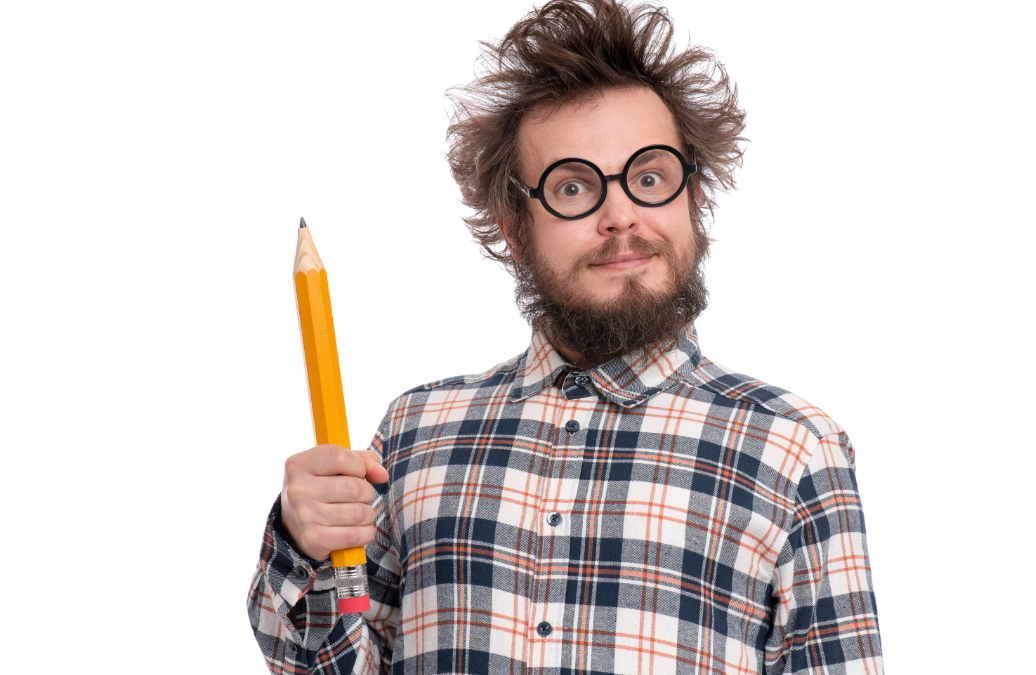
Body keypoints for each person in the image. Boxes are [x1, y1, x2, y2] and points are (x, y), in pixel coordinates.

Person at [247, 1, 884, 673]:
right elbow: (318, 663)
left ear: (693, 198)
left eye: (649, 177)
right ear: (515, 228)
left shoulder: (793, 449)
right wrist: (302, 541)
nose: (621, 215)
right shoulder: (413, 433)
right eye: (573, 186)